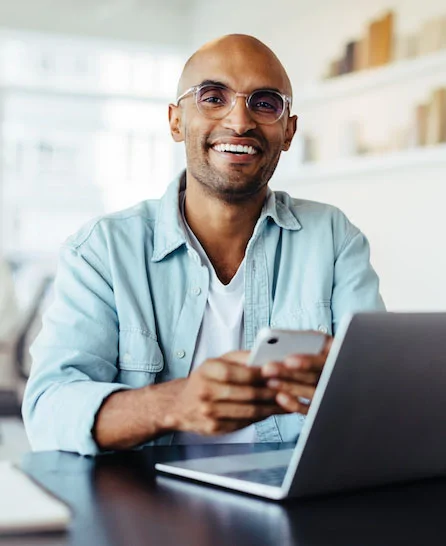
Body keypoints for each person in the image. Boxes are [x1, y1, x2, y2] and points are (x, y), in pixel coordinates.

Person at [22, 35, 385, 455]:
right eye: (213, 98)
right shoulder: (102, 250)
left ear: (288, 130)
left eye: (265, 103)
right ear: (176, 121)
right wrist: (173, 404)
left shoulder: (334, 238)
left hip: (293, 496)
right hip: (145, 504)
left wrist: (352, 380)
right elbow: (48, 411)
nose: (240, 121)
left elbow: (378, 393)